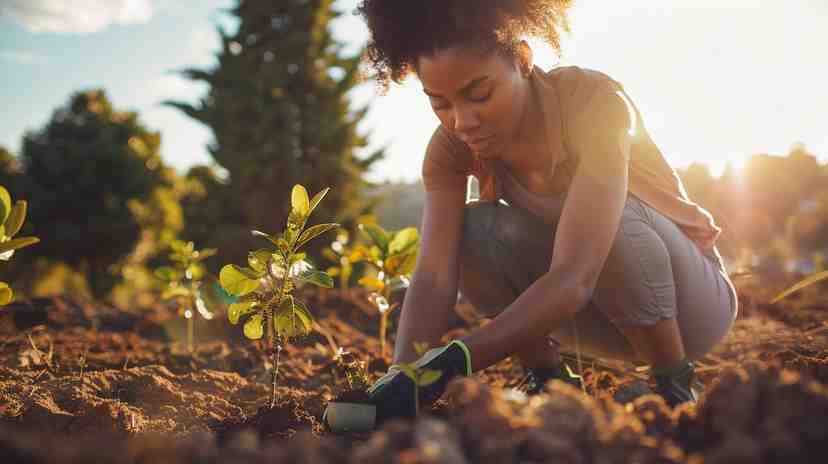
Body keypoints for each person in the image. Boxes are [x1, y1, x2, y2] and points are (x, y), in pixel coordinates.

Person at [353, 0, 739, 424]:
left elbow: (576, 274)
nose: (462, 121)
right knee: (473, 228)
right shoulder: (449, 151)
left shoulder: (595, 104)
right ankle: (549, 378)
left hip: (689, 309)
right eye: (440, 103)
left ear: (522, 59)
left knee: (615, 222)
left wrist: (452, 362)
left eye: (479, 94)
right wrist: (402, 375)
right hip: (589, 319)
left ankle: (675, 386)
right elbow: (432, 277)